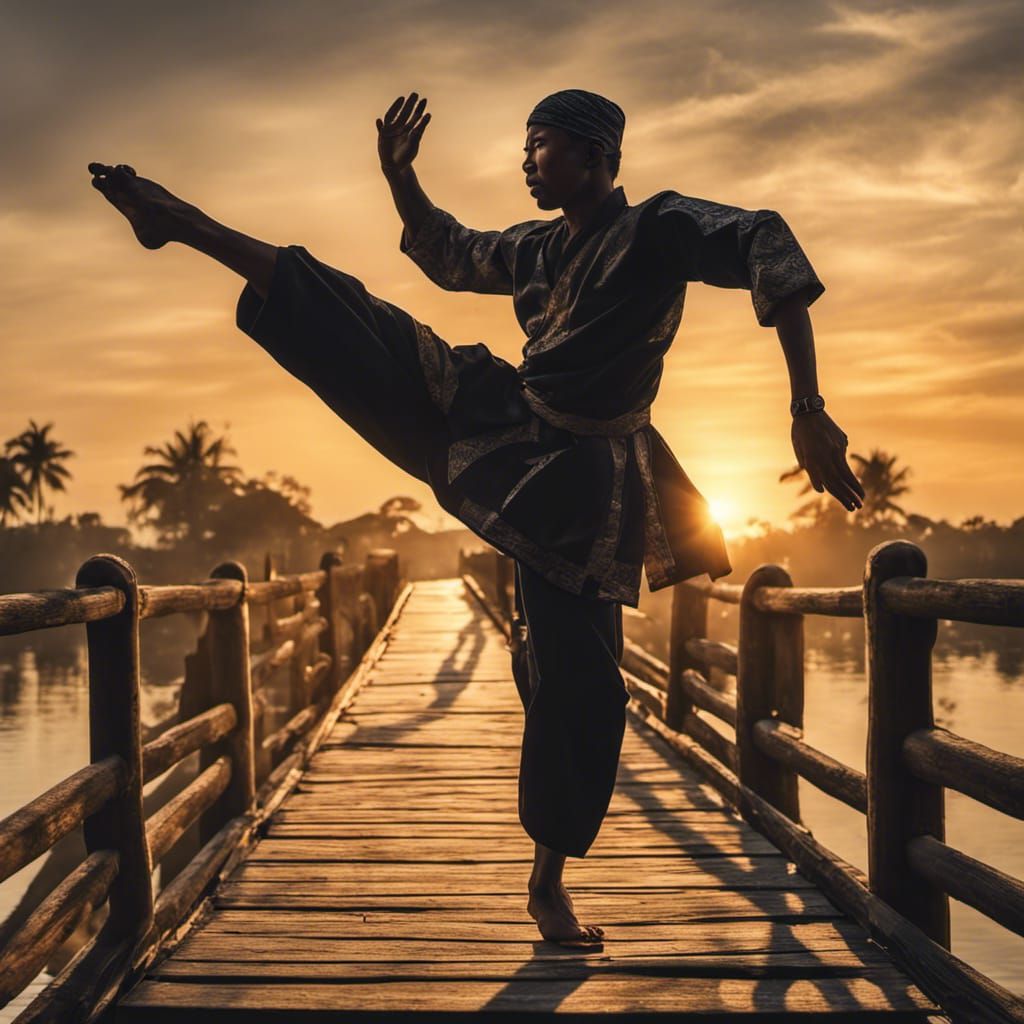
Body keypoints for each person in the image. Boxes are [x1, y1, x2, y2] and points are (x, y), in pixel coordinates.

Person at [86, 88, 864, 949]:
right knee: (358, 318)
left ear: (597, 155)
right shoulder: (536, 247)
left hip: (584, 494)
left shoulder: (658, 229)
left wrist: (808, 405)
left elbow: (763, 237)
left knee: (584, 689)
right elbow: (451, 252)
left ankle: (546, 881)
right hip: (503, 421)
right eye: (526, 148)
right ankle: (181, 221)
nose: (527, 162)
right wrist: (400, 179)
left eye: (543, 146)